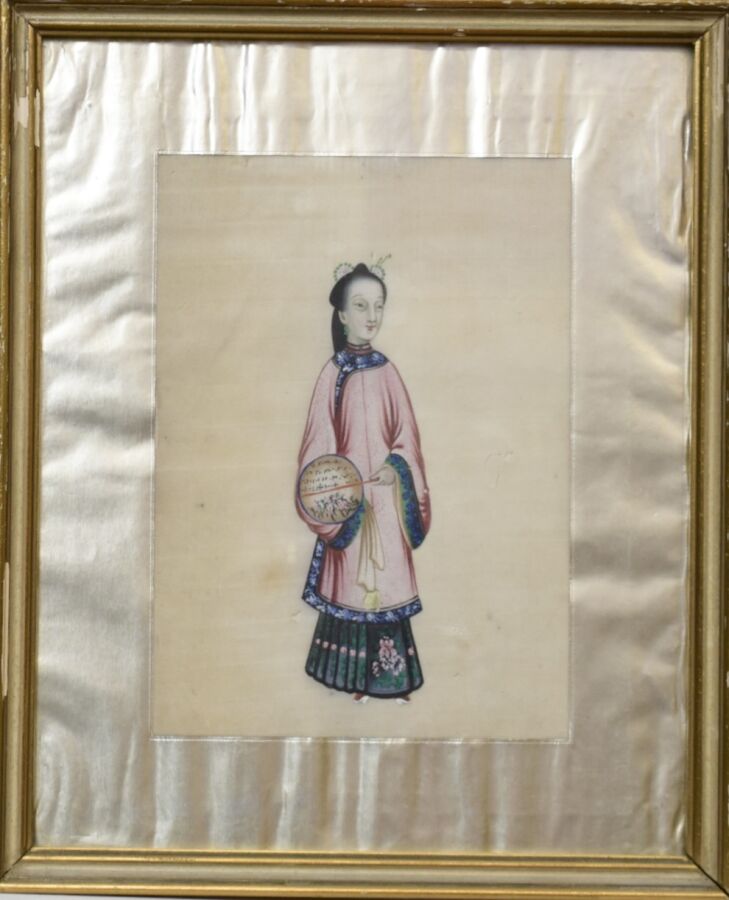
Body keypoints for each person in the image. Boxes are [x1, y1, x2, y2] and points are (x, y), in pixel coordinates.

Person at [295, 262, 431, 702]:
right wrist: (337, 491)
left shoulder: (389, 372)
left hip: (387, 506)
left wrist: (397, 466)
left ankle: (392, 681)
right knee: (351, 589)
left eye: (378, 306)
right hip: (350, 507)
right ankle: (349, 684)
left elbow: (407, 438)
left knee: (386, 590)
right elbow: (318, 446)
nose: (371, 316)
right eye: (360, 306)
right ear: (341, 314)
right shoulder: (331, 375)